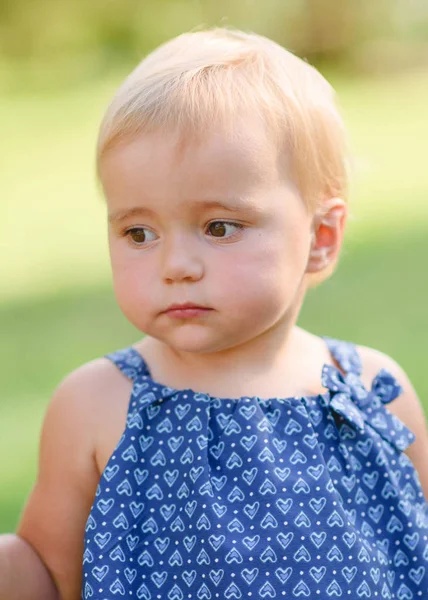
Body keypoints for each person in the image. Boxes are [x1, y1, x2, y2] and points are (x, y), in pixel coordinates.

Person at [1, 26, 428, 600]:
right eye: (139, 232)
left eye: (219, 227)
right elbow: (51, 578)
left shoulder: (371, 392)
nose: (175, 265)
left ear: (320, 236)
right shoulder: (97, 404)